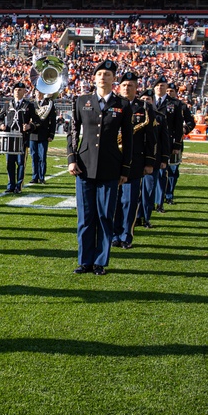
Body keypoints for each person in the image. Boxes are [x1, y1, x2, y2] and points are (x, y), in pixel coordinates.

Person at [67, 59, 132, 275]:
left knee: (105, 216)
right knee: (85, 217)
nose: (103, 77)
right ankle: (85, 260)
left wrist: (125, 169)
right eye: (100, 73)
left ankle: (100, 261)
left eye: (108, 74)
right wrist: (71, 159)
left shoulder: (123, 105)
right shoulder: (81, 100)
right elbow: (73, 131)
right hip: (84, 166)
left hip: (110, 166)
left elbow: (129, 140)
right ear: (94, 78)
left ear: (114, 79)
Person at [113, 72, 157, 249]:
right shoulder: (112, 104)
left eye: (130, 85)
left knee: (130, 202)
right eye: (124, 85)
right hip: (114, 160)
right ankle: (114, 235)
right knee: (114, 201)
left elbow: (152, 138)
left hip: (135, 161)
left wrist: (149, 162)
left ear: (136, 87)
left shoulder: (145, 108)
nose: (126, 88)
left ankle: (126, 236)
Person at [0, 82, 39, 194]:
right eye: (15, 90)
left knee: (20, 163)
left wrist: (30, 126)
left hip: (22, 139)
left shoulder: (29, 105)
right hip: (10, 139)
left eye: (20, 90)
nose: (17, 92)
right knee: (9, 163)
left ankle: (18, 185)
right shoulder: (8, 104)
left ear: (24, 92)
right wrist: (1, 125)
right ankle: (11, 185)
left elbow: (37, 121)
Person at [139, 89, 170, 228]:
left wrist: (164, 159)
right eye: (143, 99)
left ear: (153, 101)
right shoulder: (133, 115)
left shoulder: (159, 117)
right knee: (134, 191)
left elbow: (164, 140)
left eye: (148, 99)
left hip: (154, 159)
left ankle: (146, 217)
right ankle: (136, 216)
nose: (145, 102)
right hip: (135, 158)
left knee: (149, 190)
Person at [152, 76, 183, 210]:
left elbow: (178, 127)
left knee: (162, 173)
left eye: (162, 86)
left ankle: (159, 203)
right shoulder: (146, 100)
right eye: (157, 86)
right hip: (149, 142)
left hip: (166, 143)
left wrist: (176, 145)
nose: (160, 88)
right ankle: (148, 202)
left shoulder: (175, 104)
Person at [165, 83, 195, 204]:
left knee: (172, 170)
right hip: (160, 141)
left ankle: (169, 195)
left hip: (175, 141)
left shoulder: (181, 106)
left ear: (176, 93)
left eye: (171, 91)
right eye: (167, 91)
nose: (168, 93)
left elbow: (190, 122)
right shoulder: (158, 103)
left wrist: (183, 130)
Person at [28, 89, 57, 184]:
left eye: (40, 91)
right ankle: (34, 176)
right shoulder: (31, 104)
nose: (39, 93)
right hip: (33, 134)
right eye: (37, 91)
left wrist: (51, 135)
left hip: (44, 134)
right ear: (34, 92)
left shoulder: (49, 104)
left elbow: (53, 121)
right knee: (34, 156)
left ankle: (42, 177)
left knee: (42, 157)